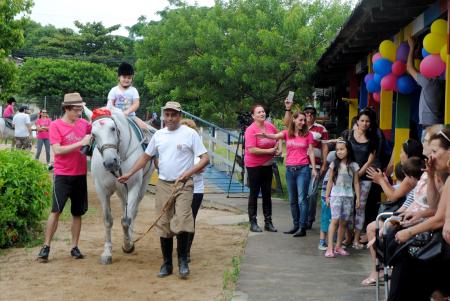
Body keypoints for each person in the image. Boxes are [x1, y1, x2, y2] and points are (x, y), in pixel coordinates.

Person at [118, 101, 209, 279]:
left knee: (182, 220)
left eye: (173, 115)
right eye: (167, 115)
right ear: (163, 116)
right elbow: (145, 157)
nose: (170, 118)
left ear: (179, 116)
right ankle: (167, 264)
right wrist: (129, 173)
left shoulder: (190, 134)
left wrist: (188, 173)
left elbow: (205, 158)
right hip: (163, 184)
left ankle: (183, 261)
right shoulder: (158, 135)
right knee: (164, 224)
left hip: (184, 184)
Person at [391, 129, 450, 301]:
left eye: (434, 151)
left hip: (444, 249)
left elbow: (438, 217)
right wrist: (431, 176)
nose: (430, 157)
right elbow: (434, 206)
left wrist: (410, 232)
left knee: (410, 265)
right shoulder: (443, 178)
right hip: (443, 245)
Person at [37, 93, 92, 262]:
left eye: (80, 110)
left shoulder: (84, 124)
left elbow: (97, 129)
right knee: (56, 210)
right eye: (76, 110)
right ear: (67, 109)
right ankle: (46, 246)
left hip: (80, 175)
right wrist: (80, 143)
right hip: (62, 175)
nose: (79, 113)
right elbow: (58, 150)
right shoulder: (55, 125)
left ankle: (74, 247)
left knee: (77, 212)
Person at [257, 111, 316, 237]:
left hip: (303, 169)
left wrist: (314, 169)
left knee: (302, 199)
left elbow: (310, 151)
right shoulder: (287, 133)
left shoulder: (308, 134)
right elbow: (275, 136)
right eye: (300, 120)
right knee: (293, 200)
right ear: (294, 120)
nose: (303, 122)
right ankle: (295, 225)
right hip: (290, 169)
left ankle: (302, 226)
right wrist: (265, 135)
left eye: (304, 120)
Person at [284, 100, 329, 229]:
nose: (309, 115)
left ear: (315, 115)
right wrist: (288, 109)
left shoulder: (321, 128)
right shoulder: (297, 127)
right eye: (307, 113)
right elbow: (286, 123)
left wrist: (325, 164)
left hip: (315, 166)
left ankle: (309, 220)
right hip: (297, 166)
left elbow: (325, 146)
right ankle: (299, 222)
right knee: (299, 197)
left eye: (312, 113)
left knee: (312, 194)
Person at [340, 109, 378, 249]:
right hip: (347, 176)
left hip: (365, 177)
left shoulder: (374, 138)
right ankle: (348, 236)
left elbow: (370, 159)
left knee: (360, 207)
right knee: (348, 207)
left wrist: (358, 173)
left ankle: (356, 239)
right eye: (362, 120)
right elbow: (341, 153)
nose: (364, 123)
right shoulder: (348, 135)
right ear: (357, 121)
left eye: (367, 121)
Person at [244, 104, 280, 233]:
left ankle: (268, 222)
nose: (262, 113)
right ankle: (253, 222)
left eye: (263, 111)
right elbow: (252, 149)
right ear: (253, 116)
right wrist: (269, 150)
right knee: (254, 193)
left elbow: (278, 137)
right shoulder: (251, 130)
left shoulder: (270, 126)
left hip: (268, 165)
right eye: (258, 112)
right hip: (254, 166)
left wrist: (279, 148)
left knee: (267, 193)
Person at [324, 139, 360, 258]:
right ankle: (330, 247)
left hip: (349, 197)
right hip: (336, 196)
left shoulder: (354, 165)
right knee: (334, 221)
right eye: (337, 150)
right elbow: (329, 181)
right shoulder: (334, 164)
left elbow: (356, 183)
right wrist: (327, 196)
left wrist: (358, 199)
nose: (339, 152)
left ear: (348, 150)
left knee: (343, 223)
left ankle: (338, 246)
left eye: (342, 149)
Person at [407, 37, 445, 140]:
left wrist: (411, 47)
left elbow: (409, 68)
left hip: (431, 128)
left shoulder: (429, 82)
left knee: (428, 154)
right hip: (437, 125)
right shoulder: (441, 82)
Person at [179, 118, 205, 263]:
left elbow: (202, 168)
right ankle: (180, 248)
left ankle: (186, 251)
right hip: (178, 189)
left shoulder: (198, 148)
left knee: (190, 220)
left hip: (196, 190)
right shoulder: (177, 148)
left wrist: (187, 171)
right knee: (178, 218)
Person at [107, 62, 149, 132]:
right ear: (119, 77)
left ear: (132, 79)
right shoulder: (114, 90)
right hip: (116, 117)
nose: (126, 80)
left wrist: (127, 112)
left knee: (144, 127)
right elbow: (110, 104)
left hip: (131, 116)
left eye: (129, 78)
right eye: (124, 77)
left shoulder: (134, 90)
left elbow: (136, 104)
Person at [318, 151, 336, 250]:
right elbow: (326, 186)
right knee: (326, 219)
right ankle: (322, 241)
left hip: (337, 198)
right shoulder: (331, 170)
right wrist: (327, 198)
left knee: (334, 220)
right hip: (328, 198)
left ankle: (333, 242)